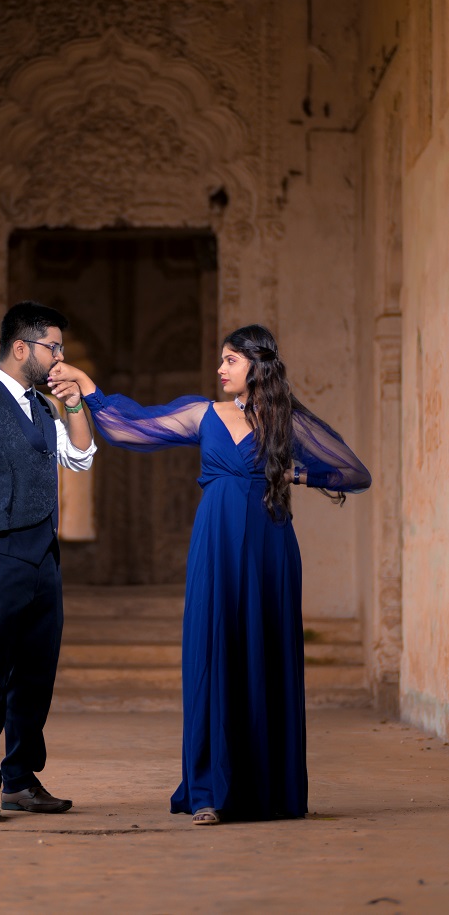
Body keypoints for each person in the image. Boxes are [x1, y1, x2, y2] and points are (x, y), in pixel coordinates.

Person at [48, 324, 371, 825]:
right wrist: (88, 387)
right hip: (215, 544)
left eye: (230, 360)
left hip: (269, 548)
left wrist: (295, 474)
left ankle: (268, 791)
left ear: (257, 365)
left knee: (264, 652)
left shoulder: (285, 420)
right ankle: (208, 792)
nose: (220, 369)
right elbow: (129, 428)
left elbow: (354, 473)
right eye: (221, 360)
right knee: (213, 650)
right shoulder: (204, 414)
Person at [0, 300, 96, 822]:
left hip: (43, 558)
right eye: (54, 347)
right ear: (21, 347)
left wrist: (74, 403)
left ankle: (21, 779)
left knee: (35, 673)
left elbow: (79, 457)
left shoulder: (44, 408)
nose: (60, 358)